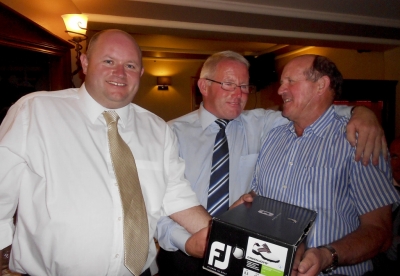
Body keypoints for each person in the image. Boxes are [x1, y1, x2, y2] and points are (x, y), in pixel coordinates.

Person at [0, 29, 211, 276]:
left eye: (130, 65)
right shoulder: (35, 111)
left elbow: (176, 195)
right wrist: (5, 254)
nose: (120, 73)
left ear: (141, 73)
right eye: (109, 61)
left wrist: (223, 237)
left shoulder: (157, 129)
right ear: (85, 63)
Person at [155, 51, 387, 275]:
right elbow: (157, 202)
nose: (239, 94)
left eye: (245, 86)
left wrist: (362, 112)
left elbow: (317, 112)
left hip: (246, 258)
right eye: (229, 84)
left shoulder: (265, 125)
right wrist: (186, 242)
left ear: (320, 84)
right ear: (204, 86)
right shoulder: (168, 133)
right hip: (184, 256)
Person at [239, 54, 400, 275]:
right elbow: (260, 200)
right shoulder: (273, 137)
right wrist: (250, 205)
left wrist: (327, 255)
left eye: (290, 81)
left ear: (321, 85)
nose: (279, 90)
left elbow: (379, 232)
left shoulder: (357, 140)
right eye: (282, 81)